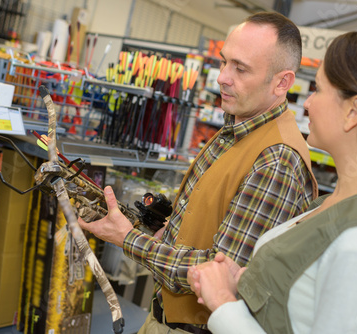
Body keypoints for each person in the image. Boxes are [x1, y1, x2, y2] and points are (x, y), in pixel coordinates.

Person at [187, 30, 357, 334]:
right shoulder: (336, 203)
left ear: (354, 111)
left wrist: (222, 303)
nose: (307, 102)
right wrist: (247, 279)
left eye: (319, 89)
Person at [78, 11, 318, 334]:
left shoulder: (277, 160)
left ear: (282, 82)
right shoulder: (238, 126)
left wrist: (127, 238)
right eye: (224, 62)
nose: (222, 77)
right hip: (164, 316)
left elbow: (216, 272)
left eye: (240, 68)